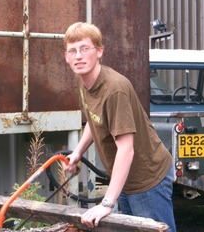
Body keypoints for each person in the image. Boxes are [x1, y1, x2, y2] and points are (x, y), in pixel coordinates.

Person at [63, 22, 176, 232]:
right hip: (124, 178)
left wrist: (106, 204)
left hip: (148, 178)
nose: (78, 56)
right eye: (73, 51)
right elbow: (94, 119)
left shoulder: (115, 89)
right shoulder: (84, 81)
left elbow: (126, 149)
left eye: (84, 48)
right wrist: (78, 152)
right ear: (66, 57)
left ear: (99, 52)